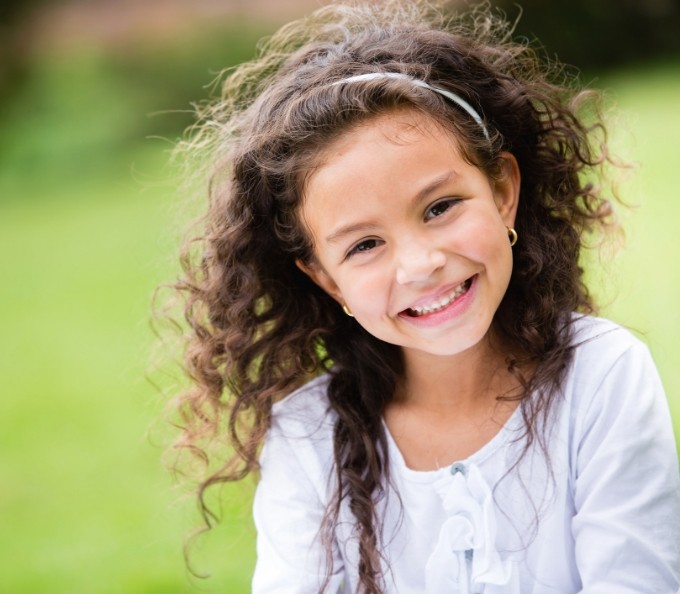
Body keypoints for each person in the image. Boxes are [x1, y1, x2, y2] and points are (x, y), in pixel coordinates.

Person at [169, 1, 680, 592]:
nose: (420, 265)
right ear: (327, 279)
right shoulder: (308, 435)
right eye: (364, 245)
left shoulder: (599, 374)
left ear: (503, 191)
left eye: (440, 208)